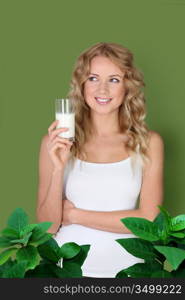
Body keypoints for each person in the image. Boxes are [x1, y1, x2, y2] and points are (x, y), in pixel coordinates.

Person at [36, 42, 164, 278]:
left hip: (131, 270)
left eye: (114, 79)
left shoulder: (149, 143)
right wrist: (58, 168)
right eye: (93, 78)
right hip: (68, 271)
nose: (102, 90)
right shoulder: (54, 143)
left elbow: (149, 221)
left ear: (127, 87)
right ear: (82, 85)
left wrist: (75, 215)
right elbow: (48, 227)